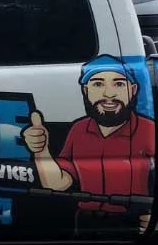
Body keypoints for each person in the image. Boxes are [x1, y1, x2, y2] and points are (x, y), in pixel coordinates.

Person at [22, 54, 155, 232]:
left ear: (133, 89)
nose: (109, 94)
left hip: (134, 221)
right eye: (98, 84)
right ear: (85, 91)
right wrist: (40, 151)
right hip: (86, 223)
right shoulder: (78, 130)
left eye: (119, 84)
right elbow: (58, 183)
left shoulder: (148, 130)